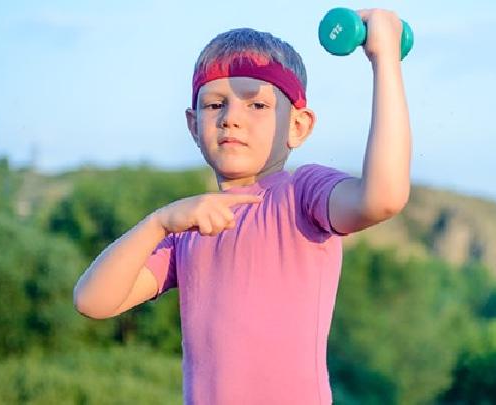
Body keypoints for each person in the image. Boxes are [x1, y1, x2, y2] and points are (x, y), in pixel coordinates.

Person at [73, 8, 410, 404]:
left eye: (257, 105)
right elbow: (92, 301)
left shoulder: (302, 194)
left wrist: (384, 59)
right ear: (193, 125)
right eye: (215, 105)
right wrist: (159, 223)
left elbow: (384, 197)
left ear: (298, 126)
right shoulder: (187, 228)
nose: (231, 118)